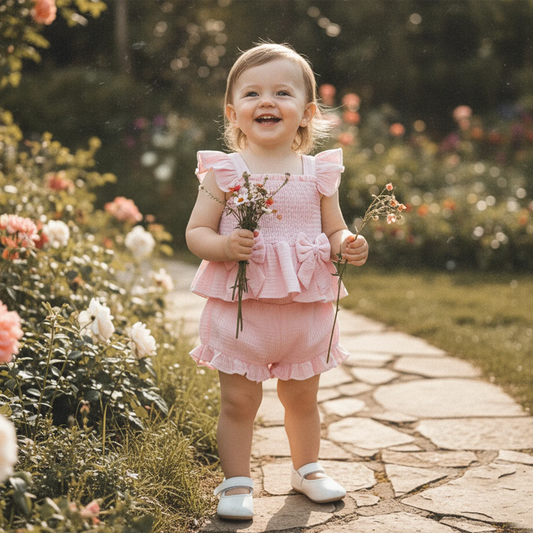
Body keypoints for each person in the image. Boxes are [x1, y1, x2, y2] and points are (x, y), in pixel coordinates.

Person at [185, 42, 369, 521]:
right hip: (242, 312)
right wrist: (224, 247)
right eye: (252, 93)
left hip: (304, 312)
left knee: (303, 398)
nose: (266, 101)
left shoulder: (317, 173)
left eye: (282, 92)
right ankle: (236, 482)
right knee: (239, 401)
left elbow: (333, 229)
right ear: (233, 113)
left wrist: (348, 242)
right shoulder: (225, 173)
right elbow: (196, 232)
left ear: (306, 113)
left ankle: (306, 469)